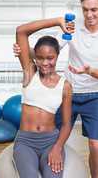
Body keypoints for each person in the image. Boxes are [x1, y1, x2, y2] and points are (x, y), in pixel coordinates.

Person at [13, 0, 98, 178]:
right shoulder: (72, 26)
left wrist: (91, 71)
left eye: (94, 9)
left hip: (94, 95)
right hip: (67, 93)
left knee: (96, 145)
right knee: (53, 133)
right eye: (85, 9)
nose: (89, 15)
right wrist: (24, 52)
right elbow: (48, 52)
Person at [13, 22, 72, 178]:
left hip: (50, 142)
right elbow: (21, 31)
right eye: (39, 58)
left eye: (50, 58)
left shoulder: (65, 86)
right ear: (35, 57)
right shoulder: (30, 72)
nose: (45, 63)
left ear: (57, 56)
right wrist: (58, 21)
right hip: (26, 142)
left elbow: (66, 124)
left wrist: (57, 147)